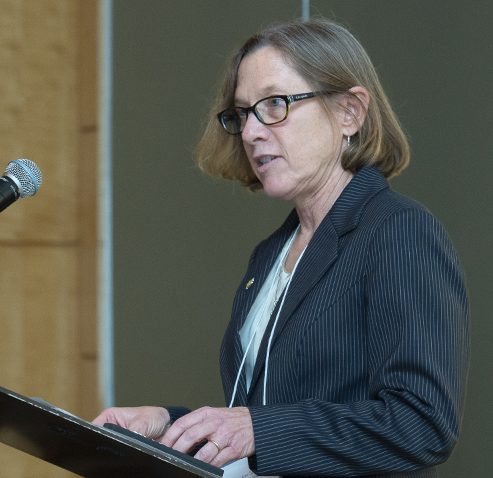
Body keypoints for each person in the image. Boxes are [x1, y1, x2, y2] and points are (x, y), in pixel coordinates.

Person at [93, 18, 469, 478]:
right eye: (243, 113)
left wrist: (257, 430)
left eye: (274, 104)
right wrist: (168, 426)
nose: (251, 131)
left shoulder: (399, 232)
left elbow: (421, 423)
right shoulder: (270, 254)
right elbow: (264, 414)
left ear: (350, 111)